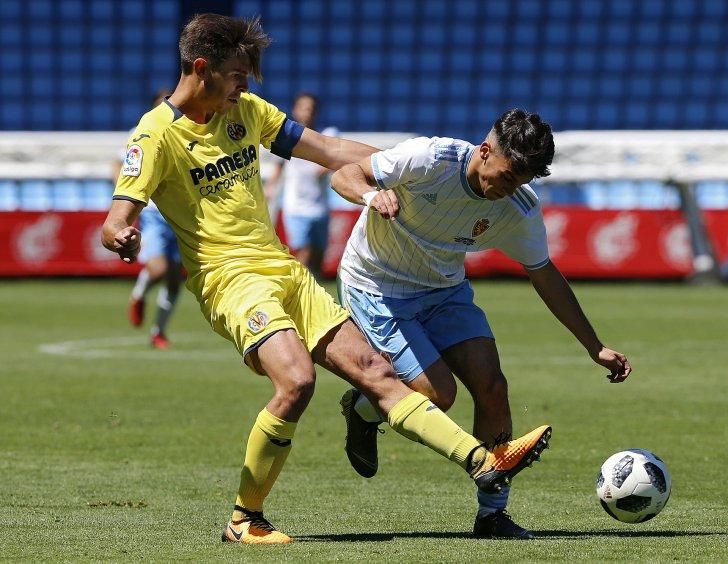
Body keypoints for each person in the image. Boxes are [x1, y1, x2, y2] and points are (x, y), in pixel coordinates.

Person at [100, 14, 552, 545]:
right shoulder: (154, 136)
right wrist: (121, 237)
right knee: (296, 381)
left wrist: (413, 170)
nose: (245, 86)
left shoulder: (244, 111)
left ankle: (481, 464)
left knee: (377, 374)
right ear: (202, 69)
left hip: (284, 267)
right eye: (238, 75)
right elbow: (115, 220)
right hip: (230, 279)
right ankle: (245, 519)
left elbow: (330, 151)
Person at [331, 109, 632, 539]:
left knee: (492, 386)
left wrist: (593, 346)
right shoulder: (428, 160)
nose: (511, 190)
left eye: (522, 182)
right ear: (485, 152)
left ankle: (492, 515)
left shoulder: (518, 208)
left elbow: (545, 275)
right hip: (377, 286)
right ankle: (364, 408)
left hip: (445, 290)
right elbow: (344, 173)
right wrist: (369, 196)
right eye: (508, 177)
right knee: (436, 393)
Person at [114, 90, 183, 349]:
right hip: (154, 213)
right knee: (161, 269)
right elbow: (118, 164)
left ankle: (158, 331)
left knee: (176, 279)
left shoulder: (186, 131)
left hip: (180, 214)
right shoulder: (142, 131)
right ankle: (139, 293)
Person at [263, 93, 335, 278]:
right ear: (295, 110)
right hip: (295, 206)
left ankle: (314, 296)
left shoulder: (326, 138)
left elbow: (337, 160)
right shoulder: (286, 139)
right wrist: (270, 187)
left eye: (310, 108)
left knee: (318, 257)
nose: (307, 112)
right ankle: (301, 296)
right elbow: (278, 168)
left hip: (320, 207)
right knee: (304, 252)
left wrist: (325, 168)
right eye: (303, 107)